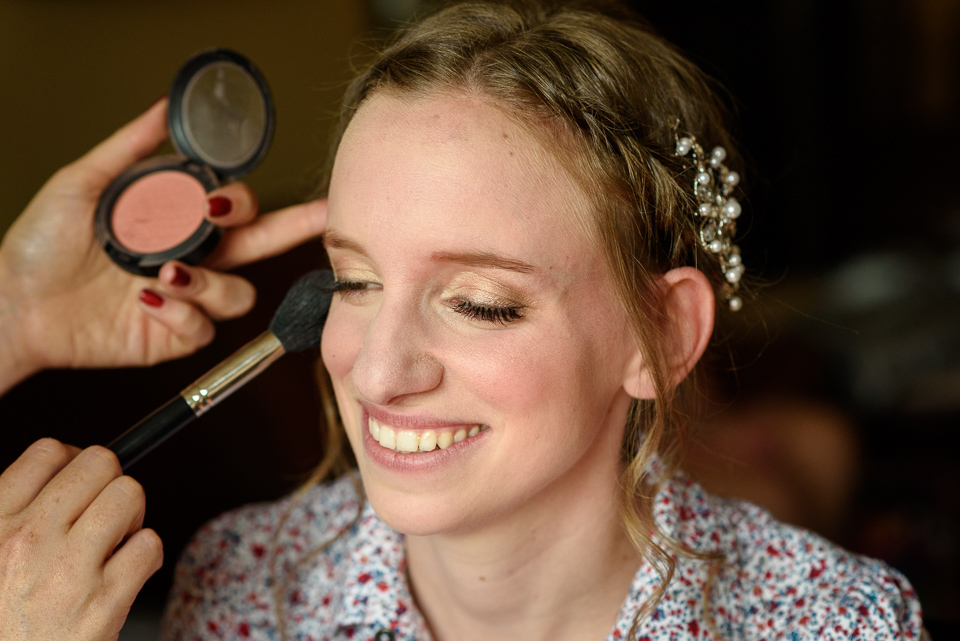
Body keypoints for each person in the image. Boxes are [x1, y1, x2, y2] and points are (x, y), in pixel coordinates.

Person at [0, 1, 927, 640]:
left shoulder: (829, 618)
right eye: (353, 283)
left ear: (666, 335)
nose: (377, 370)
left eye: (480, 302)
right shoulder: (247, 584)